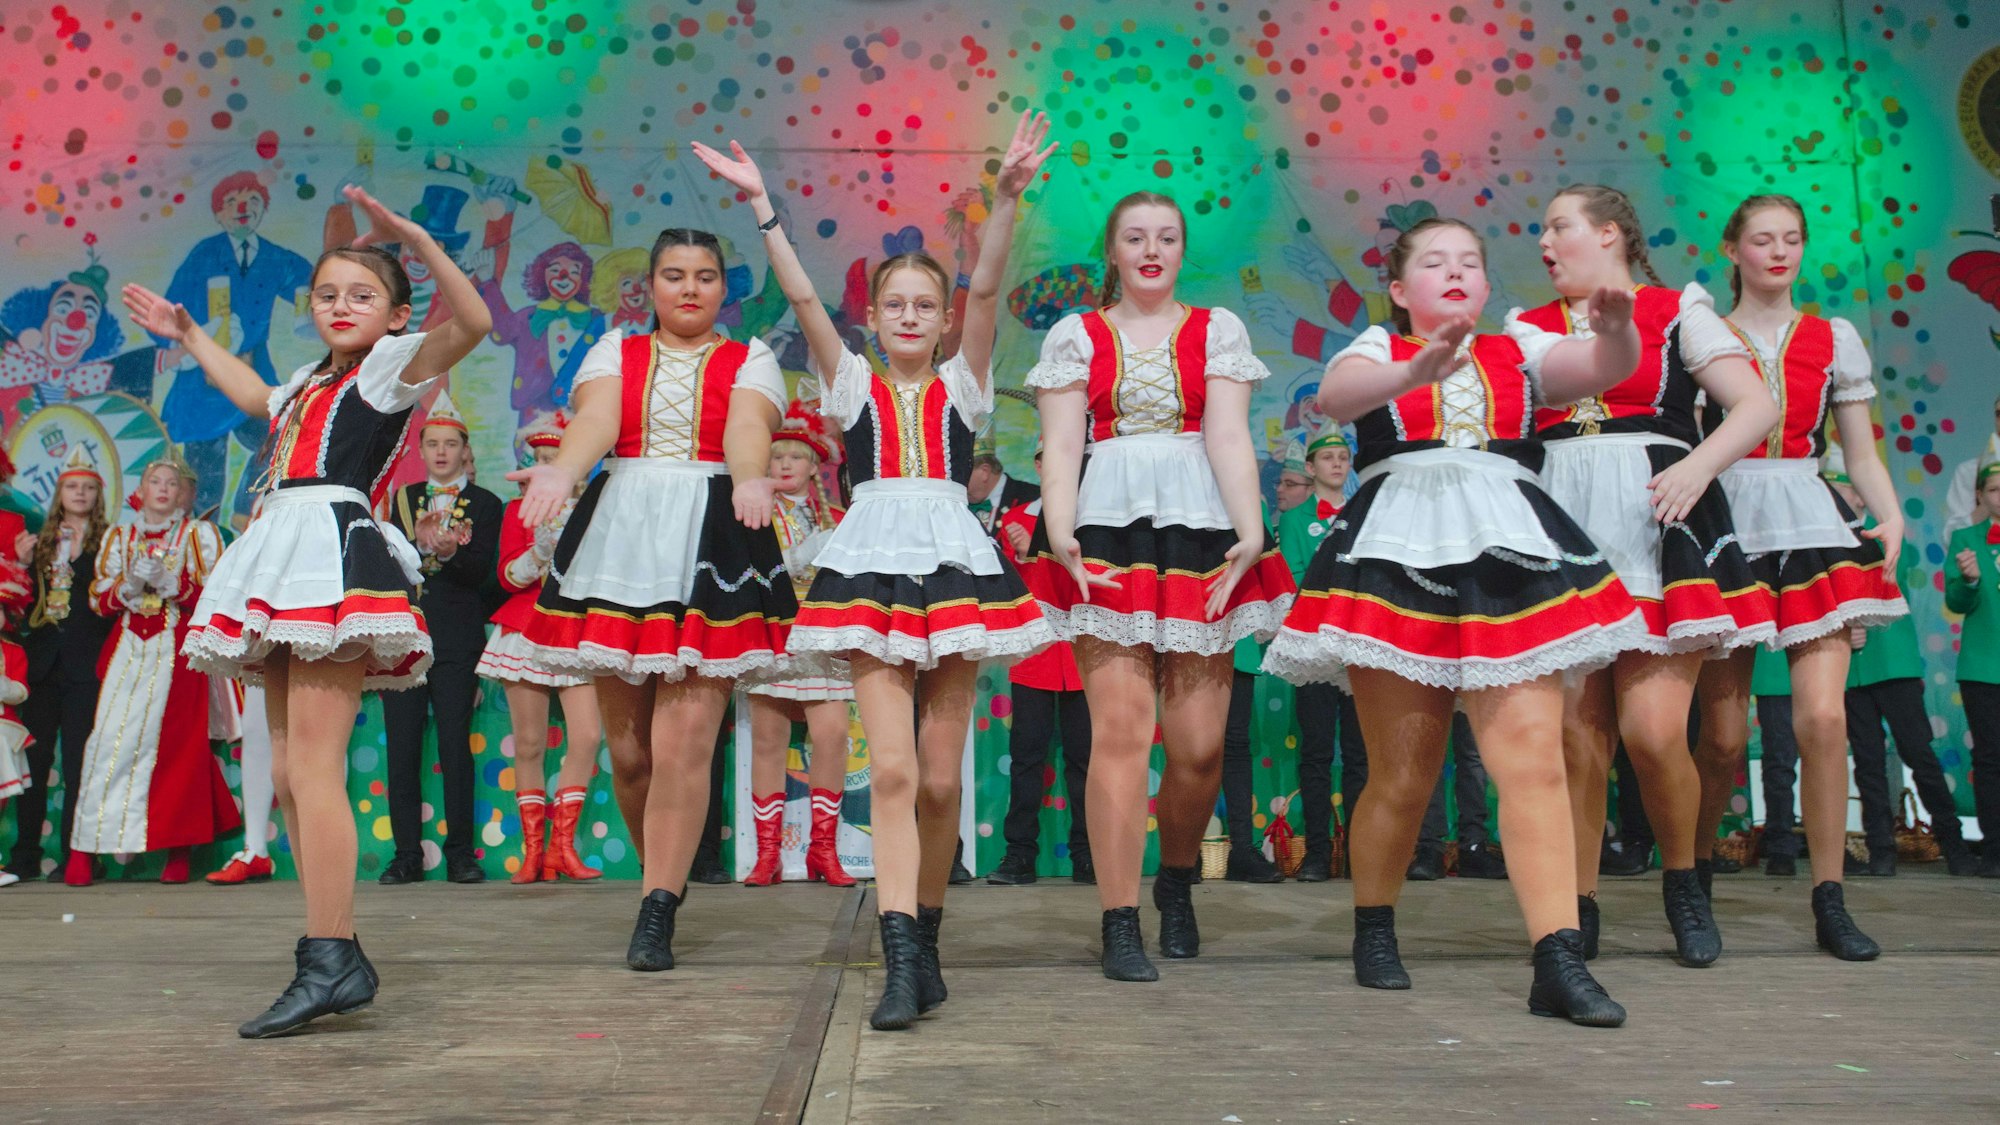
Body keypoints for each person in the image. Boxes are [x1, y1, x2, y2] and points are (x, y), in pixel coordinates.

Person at [693, 111, 1058, 1031]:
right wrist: (766, 211)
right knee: (891, 772)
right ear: (875, 317)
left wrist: (1006, 200)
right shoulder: (849, 381)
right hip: (870, 572)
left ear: (939, 321)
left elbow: (987, 290)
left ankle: (926, 936)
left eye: (923, 305)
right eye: (893, 303)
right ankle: (897, 956)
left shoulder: (965, 383)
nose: (909, 315)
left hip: (954, 568)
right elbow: (807, 305)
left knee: (939, 781)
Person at [126, 183, 493, 1037]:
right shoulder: (306, 383)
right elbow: (257, 398)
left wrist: (412, 238)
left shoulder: (390, 369)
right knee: (289, 771)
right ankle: (337, 953)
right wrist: (189, 335)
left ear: (397, 314)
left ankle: (329, 954)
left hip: (332, 549)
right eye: (327, 293)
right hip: (285, 551)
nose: (339, 305)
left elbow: (471, 324)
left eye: (361, 294)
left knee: (315, 769)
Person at [1264, 216, 1648, 1027]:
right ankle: (1375, 924)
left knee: (1535, 759)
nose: (1456, 272)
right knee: (1402, 775)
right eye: (1434, 262)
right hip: (1396, 550)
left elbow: (1599, 369)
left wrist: (1617, 333)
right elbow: (1336, 397)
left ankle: (1557, 957)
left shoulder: (1520, 347)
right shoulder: (1375, 346)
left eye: (1470, 261)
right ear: (1401, 290)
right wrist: (1416, 367)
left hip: (1512, 550)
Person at [510, 220, 794, 974]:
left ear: (724, 286)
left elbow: (744, 430)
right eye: (675, 275)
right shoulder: (616, 351)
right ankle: (656, 879)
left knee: (681, 745)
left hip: (712, 540)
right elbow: (599, 420)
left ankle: (657, 907)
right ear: (653, 285)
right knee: (630, 756)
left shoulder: (752, 358)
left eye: (705, 275)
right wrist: (561, 473)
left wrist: (751, 477)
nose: (690, 288)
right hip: (623, 540)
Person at [1030, 188, 1296, 984]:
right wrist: (1061, 533)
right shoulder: (1075, 334)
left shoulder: (1219, 329)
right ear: (1111, 250)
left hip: (1199, 531)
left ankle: (1176, 878)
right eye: (1136, 237)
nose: (1152, 249)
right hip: (1107, 529)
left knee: (1200, 747)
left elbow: (1227, 436)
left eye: (1167, 237)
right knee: (1117, 733)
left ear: (1183, 250)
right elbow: (1061, 441)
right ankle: (1120, 917)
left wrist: (1250, 530)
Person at [1510, 184, 1776, 969]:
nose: (1546, 242)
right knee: (1575, 736)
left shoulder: (1675, 305)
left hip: (1658, 520)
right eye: (1543, 231)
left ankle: (1684, 881)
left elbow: (1755, 406)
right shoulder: (1525, 327)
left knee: (1655, 732)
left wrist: (1696, 467)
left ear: (1611, 233)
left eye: (1560, 226)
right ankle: (1576, 904)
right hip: (1563, 523)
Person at [1690, 194, 1907, 961]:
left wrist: (1891, 516)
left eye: (1791, 240)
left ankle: (1829, 897)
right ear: (1733, 248)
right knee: (1720, 738)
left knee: (1822, 719)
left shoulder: (1832, 337)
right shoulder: (1704, 335)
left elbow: (1861, 451)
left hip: (1813, 522)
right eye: (1761, 240)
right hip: (1728, 524)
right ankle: (1695, 879)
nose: (1778, 253)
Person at [64, 455, 236, 886]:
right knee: (106, 744)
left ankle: (177, 851)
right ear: (140, 490)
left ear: (182, 493)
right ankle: (83, 851)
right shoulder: (120, 537)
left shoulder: (199, 535)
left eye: (171, 482)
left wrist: (170, 582)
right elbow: (96, 601)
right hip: (127, 650)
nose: (163, 488)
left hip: (176, 653)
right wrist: (127, 586)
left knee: (178, 750)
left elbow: (215, 595)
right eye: (154, 480)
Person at [377, 391, 503, 885]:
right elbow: (388, 569)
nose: (442, 453)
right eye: (433, 444)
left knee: (454, 744)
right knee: (403, 747)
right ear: (422, 449)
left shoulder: (487, 505)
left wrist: (451, 553)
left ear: (465, 450)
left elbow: (490, 579)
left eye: (451, 444)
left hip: (457, 637)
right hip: (405, 638)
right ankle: (406, 854)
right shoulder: (401, 502)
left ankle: (460, 854)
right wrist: (418, 547)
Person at [1833, 454, 1975, 876]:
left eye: (1839, 491)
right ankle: (1881, 851)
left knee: (1918, 754)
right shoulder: (1819, 547)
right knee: (1868, 762)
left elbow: (1886, 581)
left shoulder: (1886, 539)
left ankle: (1954, 844)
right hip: (1852, 672)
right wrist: (1843, 628)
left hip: (1894, 665)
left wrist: (1854, 620)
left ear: (1859, 496)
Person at [478, 410, 604, 884]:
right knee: (529, 743)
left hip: (577, 629)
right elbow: (507, 577)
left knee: (587, 736)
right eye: (541, 458)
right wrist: (539, 553)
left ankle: (561, 848)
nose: (548, 465)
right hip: (525, 628)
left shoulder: (595, 512)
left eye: (558, 457)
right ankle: (532, 853)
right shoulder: (517, 513)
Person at [742, 400, 857, 888]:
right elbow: (751, 575)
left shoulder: (838, 515)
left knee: (830, 736)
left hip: (822, 636)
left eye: (796, 456)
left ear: (815, 465)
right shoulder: (753, 513)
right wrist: (801, 554)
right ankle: (768, 855)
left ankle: (822, 852)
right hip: (771, 633)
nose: (785, 464)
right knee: (768, 741)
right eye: (777, 456)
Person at [989, 450, 1094, 887]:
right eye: (1046, 459)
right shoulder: (1017, 516)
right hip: (1035, 654)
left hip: (1087, 652)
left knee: (1086, 760)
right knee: (1026, 758)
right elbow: (1007, 591)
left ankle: (1089, 855)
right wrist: (1018, 554)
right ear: (1035, 465)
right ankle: (1019, 856)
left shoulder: (1095, 517)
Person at [9, 447, 113, 882]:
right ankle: (25, 855)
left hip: (87, 666)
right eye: (73, 486)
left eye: (88, 488)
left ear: (97, 495)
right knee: (34, 763)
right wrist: (18, 561)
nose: (80, 493)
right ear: (60, 493)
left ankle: (78, 856)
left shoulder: (109, 542)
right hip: (43, 665)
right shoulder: (40, 541)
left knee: (78, 763)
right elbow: (21, 601)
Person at [1265, 426, 1363, 882]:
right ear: (1310, 468)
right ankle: (1320, 853)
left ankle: (1362, 853)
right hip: (1317, 648)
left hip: (1361, 647)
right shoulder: (1293, 519)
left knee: (1362, 756)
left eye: (1343, 457)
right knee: (1318, 752)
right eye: (1328, 458)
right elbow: (1297, 581)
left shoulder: (1366, 515)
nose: (1337, 464)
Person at [1944, 463, 2000, 878]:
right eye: (1995, 489)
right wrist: (1971, 579)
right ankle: (1994, 848)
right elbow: (1957, 603)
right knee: (1990, 758)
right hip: (1983, 667)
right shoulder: (1965, 541)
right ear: (1980, 496)